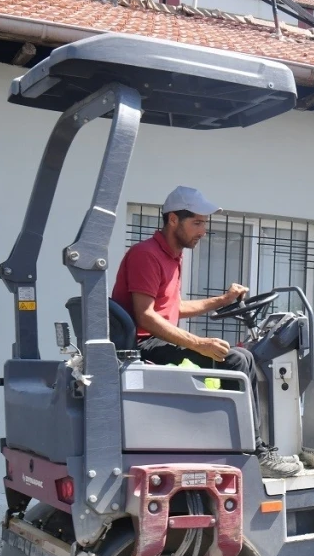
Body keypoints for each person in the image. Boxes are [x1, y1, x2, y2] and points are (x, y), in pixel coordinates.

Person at [111, 185, 303, 478]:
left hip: (154, 340)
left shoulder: (172, 256)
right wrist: (199, 343)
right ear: (173, 220)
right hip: (141, 346)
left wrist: (223, 300)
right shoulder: (146, 255)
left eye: (204, 223)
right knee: (237, 360)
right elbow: (145, 316)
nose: (203, 231)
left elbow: (172, 307)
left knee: (240, 356)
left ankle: (236, 443)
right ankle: (253, 453)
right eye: (197, 223)